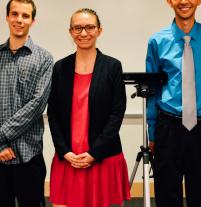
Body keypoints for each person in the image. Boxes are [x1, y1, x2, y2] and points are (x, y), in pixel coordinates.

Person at [47, 8, 130, 207]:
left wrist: (94, 153)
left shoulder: (112, 66)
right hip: (69, 157)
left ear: (99, 30)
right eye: (77, 28)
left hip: (101, 156)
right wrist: (64, 151)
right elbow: (53, 113)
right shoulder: (60, 68)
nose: (83, 33)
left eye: (89, 27)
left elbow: (117, 113)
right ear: (70, 32)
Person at [0, 0, 53, 206]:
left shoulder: (44, 59)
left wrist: (0, 135)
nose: (19, 20)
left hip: (29, 154)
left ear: (33, 20)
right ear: (7, 17)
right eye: (15, 14)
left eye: (25, 15)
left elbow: (37, 104)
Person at [146, 0, 201, 206]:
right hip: (168, 127)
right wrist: (152, 133)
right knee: (167, 195)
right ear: (169, 1)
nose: (184, 1)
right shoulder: (157, 41)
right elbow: (152, 91)